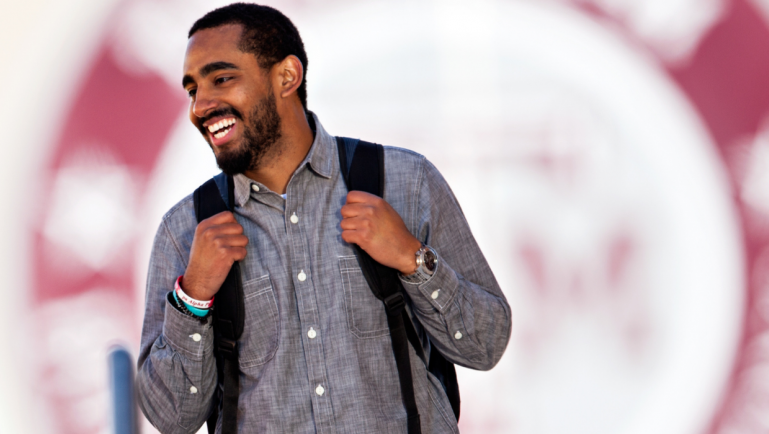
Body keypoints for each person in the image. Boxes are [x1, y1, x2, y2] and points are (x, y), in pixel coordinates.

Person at [135, 4, 513, 433]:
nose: (200, 106)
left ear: (287, 77)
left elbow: (486, 345)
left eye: (222, 79)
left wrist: (413, 259)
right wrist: (194, 296)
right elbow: (171, 418)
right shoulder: (184, 231)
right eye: (192, 90)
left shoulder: (405, 182)